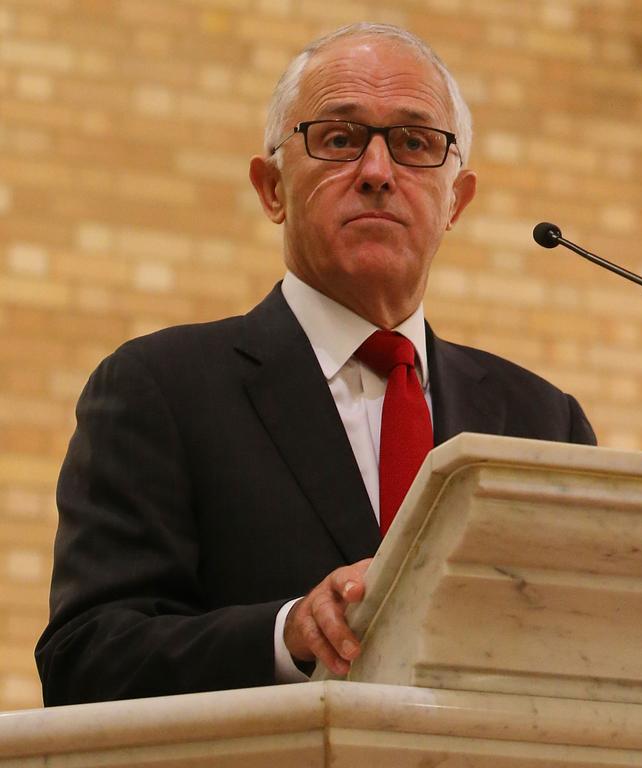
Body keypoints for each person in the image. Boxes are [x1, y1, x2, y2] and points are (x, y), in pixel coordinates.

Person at [36, 23, 596, 706]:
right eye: (338, 139)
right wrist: (286, 636)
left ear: (457, 201)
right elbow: (86, 659)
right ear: (271, 188)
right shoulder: (161, 389)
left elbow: (584, 661)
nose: (378, 172)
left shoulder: (541, 418)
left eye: (416, 143)